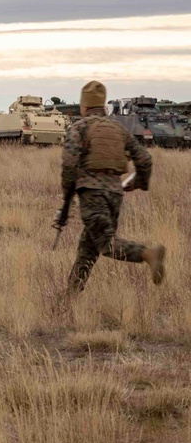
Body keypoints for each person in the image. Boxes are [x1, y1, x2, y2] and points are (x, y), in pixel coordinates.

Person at [62, 80, 165, 295]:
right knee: (88, 250)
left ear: (84, 106)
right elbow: (145, 160)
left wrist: (67, 197)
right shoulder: (118, 129)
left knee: (106, 245)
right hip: (115, 194)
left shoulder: (79, 127)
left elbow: (69, 165)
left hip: (91, 193)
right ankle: (68, 301)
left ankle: (148, 253)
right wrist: (138, 183)